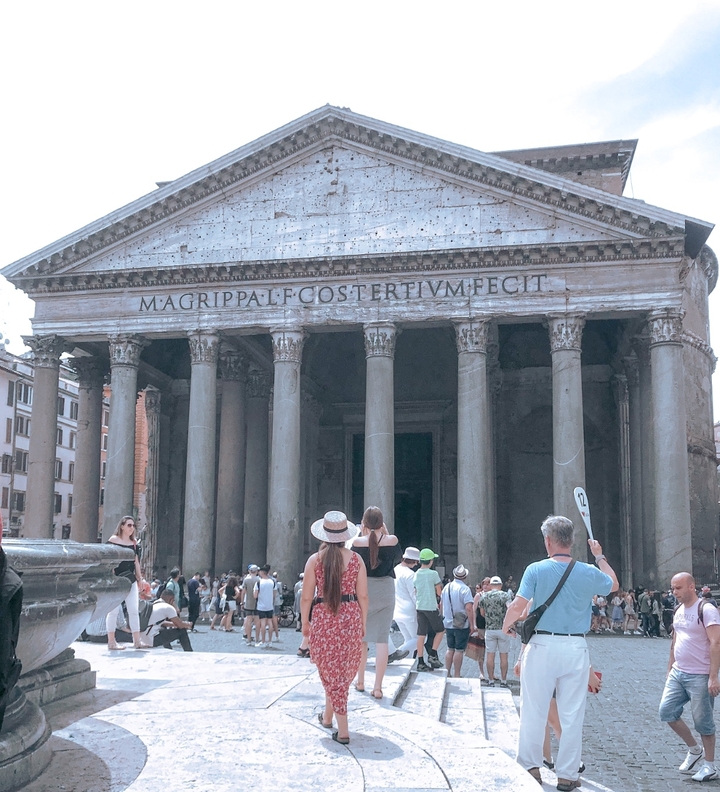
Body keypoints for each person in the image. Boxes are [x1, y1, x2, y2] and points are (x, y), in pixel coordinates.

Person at [501, 515, 617, 790]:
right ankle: (566, 775)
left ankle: (531, 768)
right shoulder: (588, 570)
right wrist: (599, 557)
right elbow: (613, 585)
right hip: (576, 647)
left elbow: (518, 605)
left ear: (548, 541)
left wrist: (507, 625)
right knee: (572, 715)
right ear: (573, 541)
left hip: (542, 646)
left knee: (533, 711)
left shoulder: (536, 569)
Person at [301, 511, 368, 745]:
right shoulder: (356, 559)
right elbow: (363, 596)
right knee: (340, 673)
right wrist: (363, 623)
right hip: (350, 615)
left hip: (324, 616)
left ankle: (344, 731)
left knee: (331, 671)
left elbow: (307, 598)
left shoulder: (314, 560)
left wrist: (305, 624)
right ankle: (328, 717)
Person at [659, 572, 720, 783]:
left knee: (703, 722)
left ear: (691, 587)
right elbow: (675, 640)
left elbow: (716, 643)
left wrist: (713, 677)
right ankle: (694, 750)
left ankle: (710, 765)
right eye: (672, 588)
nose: (674, 592)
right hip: (678, 672)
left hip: (700, 675)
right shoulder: (677, 610)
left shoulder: (707, 610)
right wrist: (670, 668)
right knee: (666, 711)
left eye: (678, 588)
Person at [351, 506, 401, 699]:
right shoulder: (392, 540)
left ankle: (361, 680)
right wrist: (384, 533)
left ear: (363, 523)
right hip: (386, 590)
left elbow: (353, 564)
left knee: (362, 639)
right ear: (382, 523)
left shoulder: (357, 542)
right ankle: (378, 687)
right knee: (382, 640)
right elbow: (396, 558)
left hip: (363, 589)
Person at [106, 516, 146, 650]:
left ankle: (137, 641)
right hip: (116, 579)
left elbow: (136, 562)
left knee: (133, 610)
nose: (132, 528)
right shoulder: (112, 540)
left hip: (131, 579)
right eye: (129, 525)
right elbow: (108, 561)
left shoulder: (134, 543)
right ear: (122, 526)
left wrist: (140, 579)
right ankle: (111, 642)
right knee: (113, 611)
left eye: (133, 525)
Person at [440, 564, 476, 677]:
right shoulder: (465, 589)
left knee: (450, 648)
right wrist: (472, 624)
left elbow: (441, 604)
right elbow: (469, 608)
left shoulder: (447, 587)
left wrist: (443, 618)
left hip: (448, 623)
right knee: (459, 649)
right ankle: (457, 674)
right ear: (464, 577)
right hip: (461, 624)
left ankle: (447, 672)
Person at [414, 548, 444, 672]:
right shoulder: (433, 574)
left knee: (421, 635)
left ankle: (420, 662)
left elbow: (416, 590)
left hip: (419, 606)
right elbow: (438, 591)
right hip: (431, 606)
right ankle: (433, 654)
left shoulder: (416, 573)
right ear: (431, 561)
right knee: (440, 630)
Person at [480, 575, 514, 687]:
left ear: (491, 585)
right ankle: (504, 681)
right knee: (504, 656)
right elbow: (510, 609)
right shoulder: (505, 595)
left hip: (489, 629)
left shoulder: (484, 596)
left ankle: (491, 680)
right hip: (503, 629)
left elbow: (482, 613)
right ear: (500, 585)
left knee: (490, 655)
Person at [390, 547, 420, 662]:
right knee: (421, 639)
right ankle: (393, 654)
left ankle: (403, 664)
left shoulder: (395, 569)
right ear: (414, 561)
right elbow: (414, 595)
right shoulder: (410, 574)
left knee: (408, 640)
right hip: (410, 612)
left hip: (397, 610)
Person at [254, 564, 276, 647]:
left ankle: (263, 641)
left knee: (263, 623)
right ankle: (270, 641)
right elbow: (274, 594)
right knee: (270, 622)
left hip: (261, 605)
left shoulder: (259, 582)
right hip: (269, 605)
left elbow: (255, 595)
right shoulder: (272, 582)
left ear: (262, 572)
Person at [241, 565, 261, 645]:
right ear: (256, 571)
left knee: (248, 621)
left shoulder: (246, 579)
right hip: (257, 602)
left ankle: (248, 639)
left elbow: (243, 591)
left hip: (248, 602)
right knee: (257, 621)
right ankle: (257, 639)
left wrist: (242, 602)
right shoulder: (259, 579)